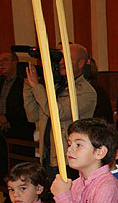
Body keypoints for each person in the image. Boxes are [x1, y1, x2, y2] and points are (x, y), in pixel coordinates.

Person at [23, 42, 97, 175]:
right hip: (49, 155)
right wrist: (29, 86)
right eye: (60, 58)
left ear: (80, 63)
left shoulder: (85, 91)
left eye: (66, 58)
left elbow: (57, 113)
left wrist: (36, 87)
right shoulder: (58, 89)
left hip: (69, 160)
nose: (61, 62)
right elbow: (33, 116)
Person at [0, 51, 35, 203]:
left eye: (5, 60)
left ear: (15, 62)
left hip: (20, 131)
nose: (1, 64)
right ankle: (9, 197)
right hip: (2, 131)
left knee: (21, 166)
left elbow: (25, 107)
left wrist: (9, 118)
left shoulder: (24, 83)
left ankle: (28, 197)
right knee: (4, 164)